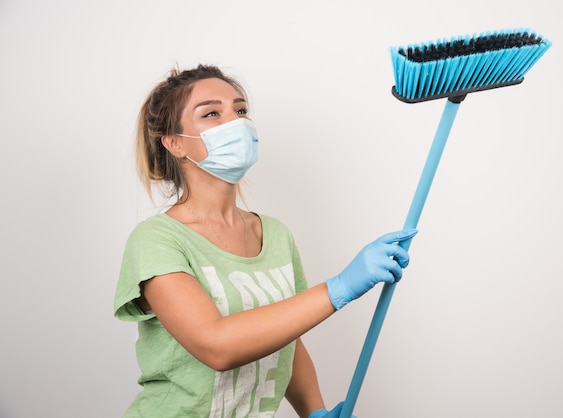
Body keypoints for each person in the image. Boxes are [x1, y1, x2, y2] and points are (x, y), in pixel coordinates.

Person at [114, 64, 417, 418]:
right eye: (212, 113)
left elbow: (286, 338)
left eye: (241, 110)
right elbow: (216, 346)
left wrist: (314, 412)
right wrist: (338, 288)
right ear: (175, 143)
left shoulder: (274, 234)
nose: (236, 122)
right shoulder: (155, 239)